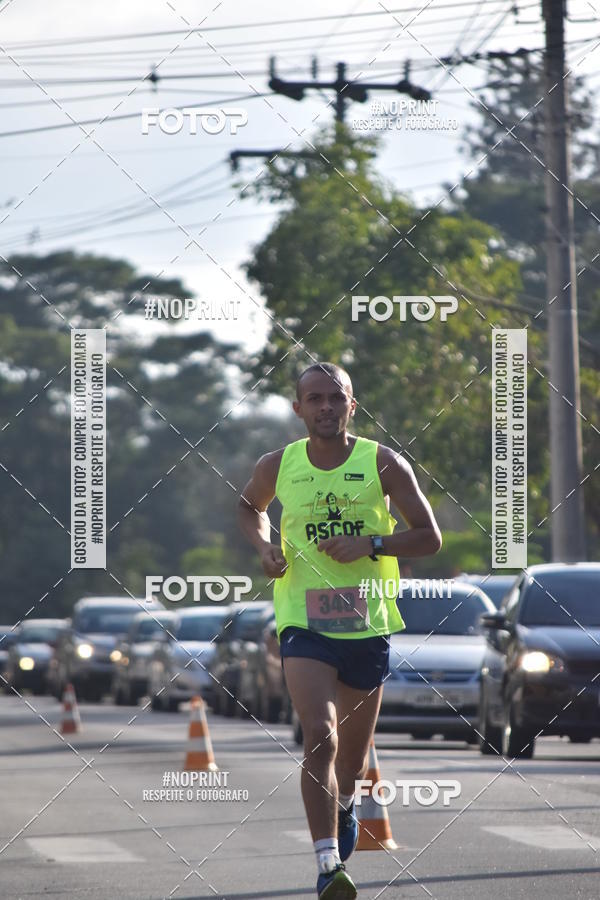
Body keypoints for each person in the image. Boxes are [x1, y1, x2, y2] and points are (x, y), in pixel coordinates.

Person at [238, 362, 442, 899]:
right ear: (298, 407)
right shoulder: (277, 465)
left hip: (366, 620)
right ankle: (328, 865)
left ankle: (344, 805)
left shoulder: (383, 462)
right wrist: (264, 547)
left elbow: (429, 537)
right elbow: (248, 507)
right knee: (320, 735)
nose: (325, 406)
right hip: (303, 620)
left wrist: (372, 544)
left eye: (336, 398)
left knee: (350, 760)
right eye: (315, 398)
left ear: (352, 405)